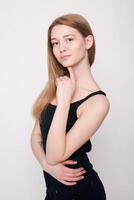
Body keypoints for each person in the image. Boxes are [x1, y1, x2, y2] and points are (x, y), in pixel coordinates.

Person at [31, 13, 110, 200]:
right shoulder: (57, 86)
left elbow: (55, 155)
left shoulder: (97, 102)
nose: (61, 48)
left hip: (82, 193)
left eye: (69, 39)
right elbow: (36, 137)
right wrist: (46, 166)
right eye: (55, 43)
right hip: (53, 192)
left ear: (88, 41)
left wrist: (64, 102)